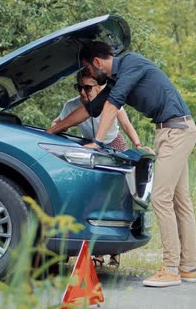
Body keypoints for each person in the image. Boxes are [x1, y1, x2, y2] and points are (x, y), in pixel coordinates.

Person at [51, 40, 196, 287]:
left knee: (161, 197)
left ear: (96, 63)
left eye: (87, 69)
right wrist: (54, 128)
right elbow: (90, 110)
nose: (87, 75)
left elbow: (111, 106)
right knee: (179, 200)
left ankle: (171, 268)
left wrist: (97, 143)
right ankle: (188, 268)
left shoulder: (131, 63)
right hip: (172, 130)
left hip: (176, 131)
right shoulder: (116, 80)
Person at [48, 70, 142, 268]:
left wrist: (138, 145)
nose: (83, 91)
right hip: (92, 146)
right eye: (79, 87)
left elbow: (126, 124)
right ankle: (97, 252)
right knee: (97, 196)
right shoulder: (72, 105)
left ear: (99, 86)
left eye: (87, 87)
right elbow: (60, 123)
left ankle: (115, 252)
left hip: (114, 143)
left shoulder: (111, 100)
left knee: (119, 195)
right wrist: (49, 134)